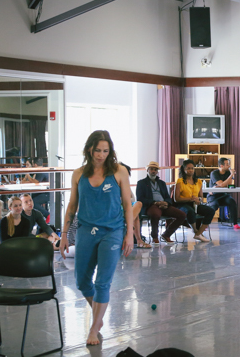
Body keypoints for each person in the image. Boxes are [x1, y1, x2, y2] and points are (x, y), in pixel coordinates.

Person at [59, 130, 134, 346]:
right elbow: (72, 205)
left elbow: (128, 205)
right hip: (85, 230)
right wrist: (64, 235)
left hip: (112, 231)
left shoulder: (119, 171)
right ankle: (98, 313)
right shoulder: (78, 174)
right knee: (82, 281)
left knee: (102, 282)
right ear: (89, 149)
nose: (101, 155)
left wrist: (129, 234)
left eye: (105, 151)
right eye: (97, 150)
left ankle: (95, 326)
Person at [136, 161, 185, 244]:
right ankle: (154, 236)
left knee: (182, 215)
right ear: (147, 170)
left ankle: (166, 234)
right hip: (151, 205)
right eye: (151, 169)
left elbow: (167, 196)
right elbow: (140, 199)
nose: (153, 171)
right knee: (155, 214)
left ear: (157, 171)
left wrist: (166, 203)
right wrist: (155, 203)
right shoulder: (141, 183)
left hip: (163, 205)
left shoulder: (161, 183)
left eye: (155, 169)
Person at [175, 159, 215, 242]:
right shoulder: (180, 181)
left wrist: (198, 200)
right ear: (184, 169)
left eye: (192, 168)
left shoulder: (199, 182)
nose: (191, 170)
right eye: (188, 168)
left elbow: (201, 197)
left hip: (195, 204)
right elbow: (177, 199)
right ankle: (195, 231)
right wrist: (190, 199)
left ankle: (198, 233)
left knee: (210, 211)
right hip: (183, 204)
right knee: (190, 211)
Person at [120, 163, 151, 248]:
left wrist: (125, 200)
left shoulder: (125, 183)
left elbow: (133, 199)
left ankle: (127, 223)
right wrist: (125, 200)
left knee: (139, 203)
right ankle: (139, 240)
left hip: (127, 206)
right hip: (117, 207)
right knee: (136, 215)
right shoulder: (113, 183)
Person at [208, 158, 240, 229]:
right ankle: (205, 223)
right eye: (227, 164)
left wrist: (222, 184)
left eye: (229, 164)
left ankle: (235, 223)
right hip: (213, 195)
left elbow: (229, 184)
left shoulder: (228, 173)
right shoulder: (214, 173)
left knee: (232, 202)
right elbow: (222, 184)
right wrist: (230, 176)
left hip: (224, 195)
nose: (229, 166)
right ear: (221, 166)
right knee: (214, 206)